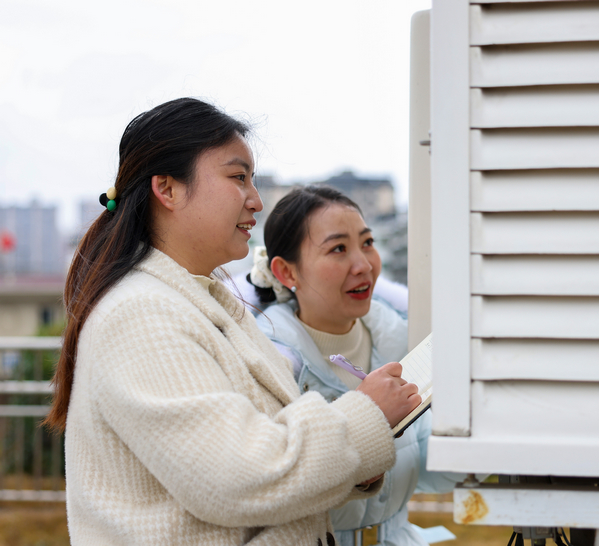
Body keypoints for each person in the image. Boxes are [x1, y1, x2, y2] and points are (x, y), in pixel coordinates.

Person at [45, 98, 422, 546]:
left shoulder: (203, 302)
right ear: (168, 189)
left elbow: (267, 443)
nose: (256, 201)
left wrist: (357, 461)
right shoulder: (140, 316)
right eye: (238, 177)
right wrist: (365, 418)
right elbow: (236, 478)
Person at [248, 186, 462, 546]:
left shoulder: (401, 345)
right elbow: (267, 488)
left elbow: (431, 475)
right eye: (338, 249)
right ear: (286, 272)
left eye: (367, 243)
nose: (364, 265)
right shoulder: (266, 365)